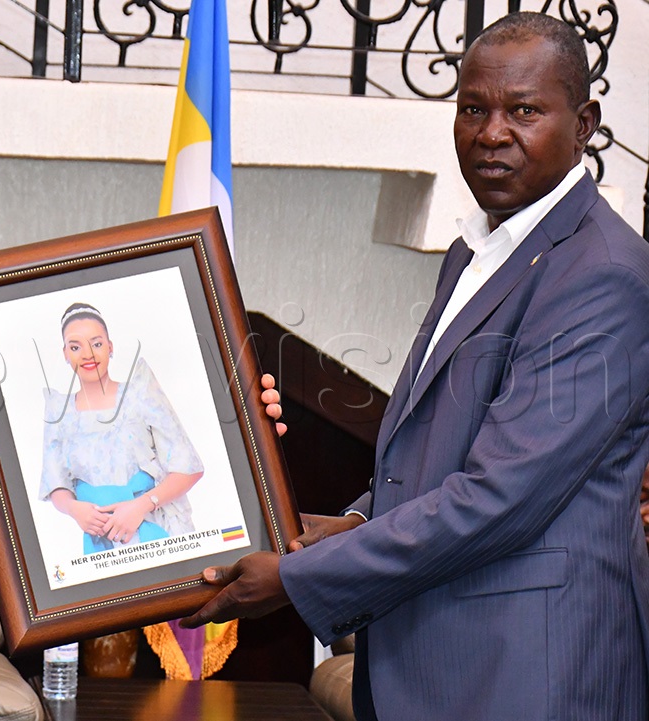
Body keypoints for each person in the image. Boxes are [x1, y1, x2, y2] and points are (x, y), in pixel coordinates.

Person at [185, 12, 649, 720]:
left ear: (583, 123)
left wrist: (300, 574)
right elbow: (443, 447)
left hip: (529, 674)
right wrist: (346, 525)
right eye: (472, 109)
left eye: (524, 110)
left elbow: (502, 497)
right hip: (442, 660)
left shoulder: (604, 273)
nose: (491, 133)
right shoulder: (478, 250)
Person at [40, 303, 204, 554]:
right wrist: (76, 510)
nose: (88, 355)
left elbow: (189, 468)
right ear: (65, 353)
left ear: (110, 347)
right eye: (76, 346)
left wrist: (140, 506)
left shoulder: (139, 393)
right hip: (102, 543)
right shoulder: (58, 412)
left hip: (159, 530)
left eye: (96, 343)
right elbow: (56, 482)